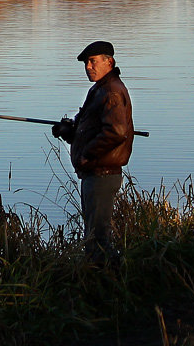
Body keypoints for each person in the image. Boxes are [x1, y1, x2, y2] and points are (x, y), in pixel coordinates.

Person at [52, 40, 134, 259]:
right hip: (95, 173)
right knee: (93, 237)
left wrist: (87, 154)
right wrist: (68, 131)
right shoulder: (100, 89)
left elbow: (116, 132)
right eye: (86, 63)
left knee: (97, 240)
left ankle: (111, 280)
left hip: (102, 173)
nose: (88, 67)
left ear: (109, 62)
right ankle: (100, 280)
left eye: (93, 61)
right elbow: (92, 129)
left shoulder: (111, 92)